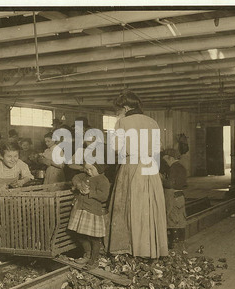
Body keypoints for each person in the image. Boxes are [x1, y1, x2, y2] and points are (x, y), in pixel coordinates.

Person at [105, 90, 168, 259]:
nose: (117, 114)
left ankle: (130, 249)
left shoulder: (123, 122)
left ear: (125, 108)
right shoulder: (152, 122)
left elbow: (116, 148)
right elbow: (159, 148)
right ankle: (149, 249)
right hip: (150, 167)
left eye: (118, 110)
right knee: (148, 206)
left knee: (128, 206)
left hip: (131, 166)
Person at [68, 162, 110, 268]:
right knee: (79, 234)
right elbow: (75, 177)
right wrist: (78, 185)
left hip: (92, 211)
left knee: (94, 238)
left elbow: (104, 196)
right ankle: (87, 254)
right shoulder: (85, 175)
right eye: (87, 169)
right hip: (81, 210)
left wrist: (90, 192)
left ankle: (94, 259)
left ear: (98, 169)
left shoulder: (103, 180)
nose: (88, 172)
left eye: (91, 169)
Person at [160, 148, 188, 246]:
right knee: (180, 219)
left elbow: (170, 184)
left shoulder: (173, 168)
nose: (166, 162)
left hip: (173, 197)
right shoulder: (181, 167)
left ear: (170, 158)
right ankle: (180, 243)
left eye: (166, 160)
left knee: (172, 220)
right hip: (180, 197)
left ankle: (174, 244)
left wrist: (161, 179)